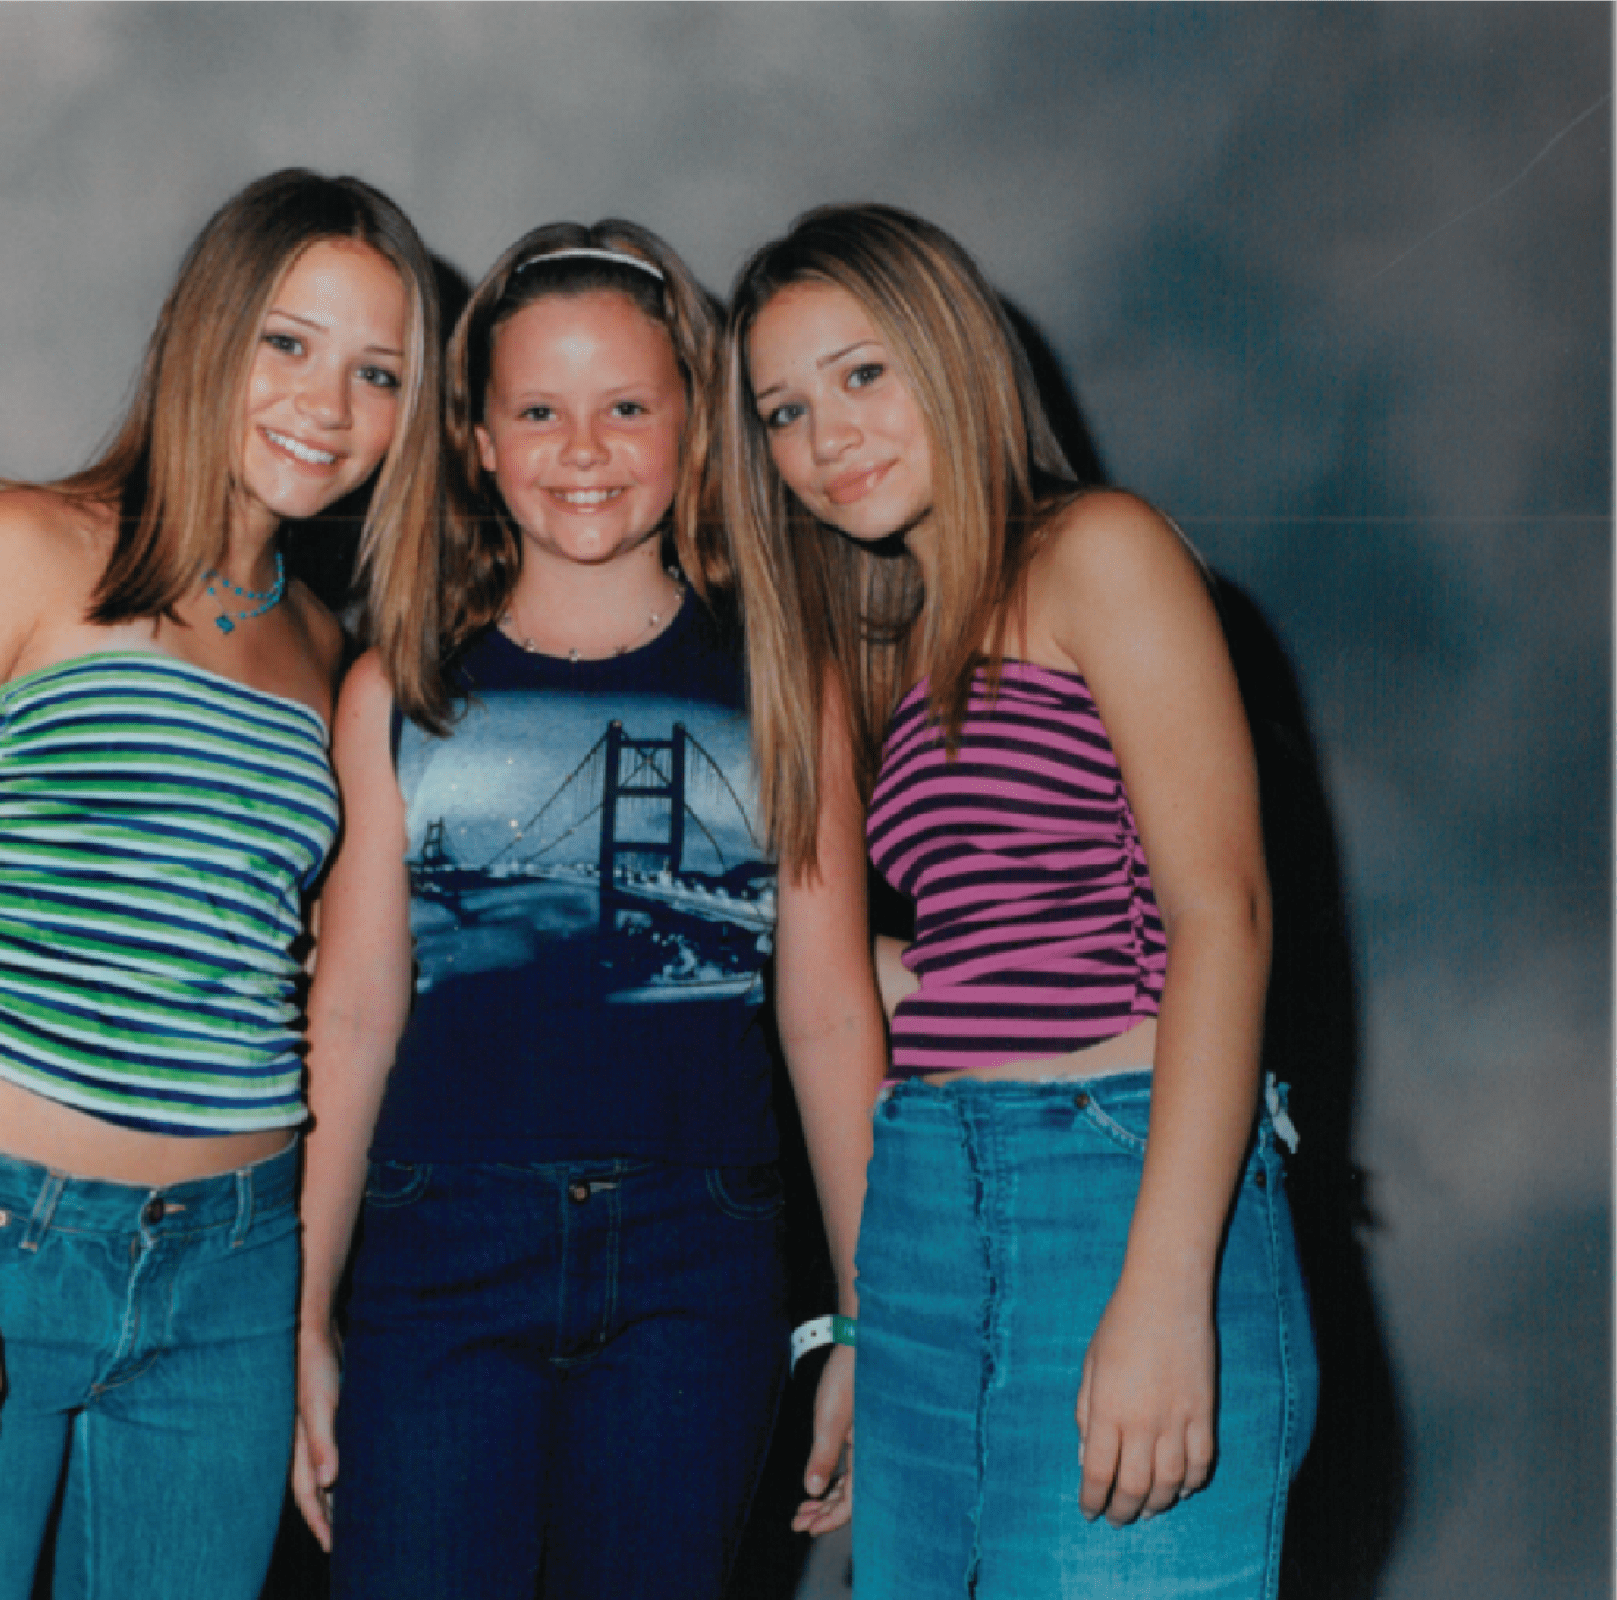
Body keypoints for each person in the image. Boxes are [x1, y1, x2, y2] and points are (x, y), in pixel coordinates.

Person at [0, 167, 441, 1600]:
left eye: (377, 372)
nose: (325, 405)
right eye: (287, 342)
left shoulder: (331, 655)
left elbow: (315, 986)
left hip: (232, 1275)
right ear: (201, 335)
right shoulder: (18, 551)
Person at [722, 201, 1318, 1598]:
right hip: (929, 1200)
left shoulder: (1098, 551)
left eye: (864, 373)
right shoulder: (892, 648)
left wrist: (1170, 1293)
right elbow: (982, 961)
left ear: (954, 353)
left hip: (1116, 1182)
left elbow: (1222, 918)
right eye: (786, 411)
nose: (829, 436)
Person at [291, 221, 804, 1600]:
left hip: (703, 1255)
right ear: (476, 437)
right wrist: (303, 1312)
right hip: (438, 1236)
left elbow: (822, 1006)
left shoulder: (784, 689)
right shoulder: (402, 690)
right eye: (540, 411)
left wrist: (871, 1318)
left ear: (696, 428)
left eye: (628, 407)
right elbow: (351, 1010)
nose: (584, 449)